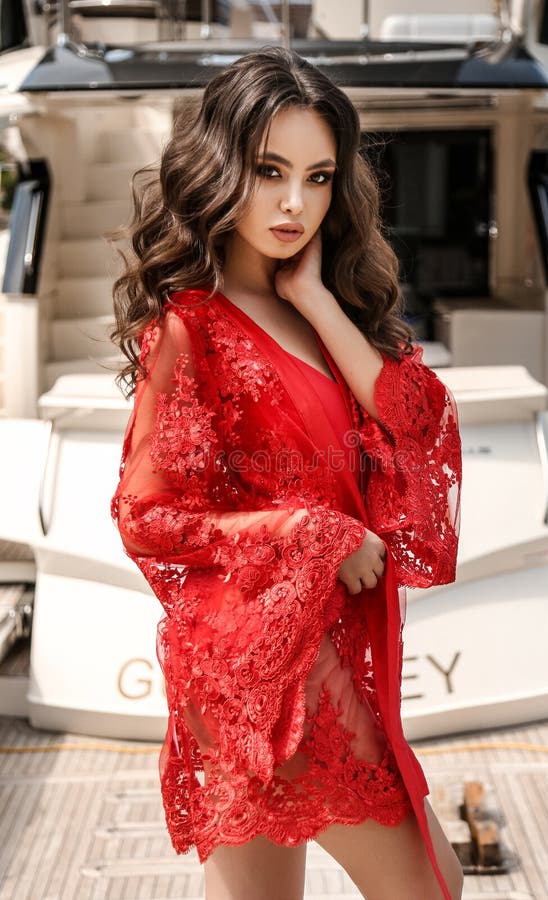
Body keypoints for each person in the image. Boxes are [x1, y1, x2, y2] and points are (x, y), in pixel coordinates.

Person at [108, 45, 463, 900]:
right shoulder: (191, 330)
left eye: (319, 176)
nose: (296, 203)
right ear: (224, 170)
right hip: (262, 669)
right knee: (434, 888)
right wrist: (311, 533)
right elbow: (145, 515)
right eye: (270, 172)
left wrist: (316, 302)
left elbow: (418, 422)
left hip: (326, 655)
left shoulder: (322, 303)